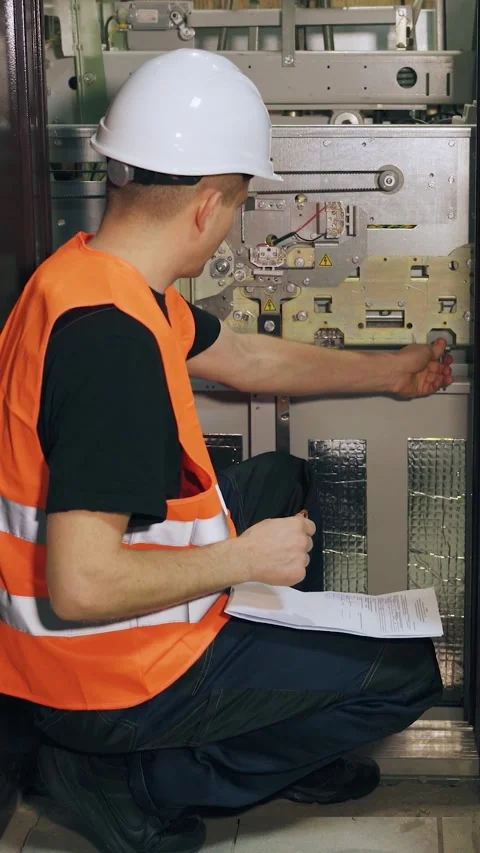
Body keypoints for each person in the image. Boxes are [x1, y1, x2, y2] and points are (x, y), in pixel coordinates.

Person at [0, 49, 448, 853]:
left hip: (65, 645)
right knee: (405, 677)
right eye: (239, 205)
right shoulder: (111, 349)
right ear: (208, 205)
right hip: (98, 672)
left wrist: (394, 370)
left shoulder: (88, 279)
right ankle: (133, 781)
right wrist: (241, 559)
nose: (233, 222)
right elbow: (80, 581)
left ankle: (260, 733)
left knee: (283, 480)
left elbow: (245, 358)